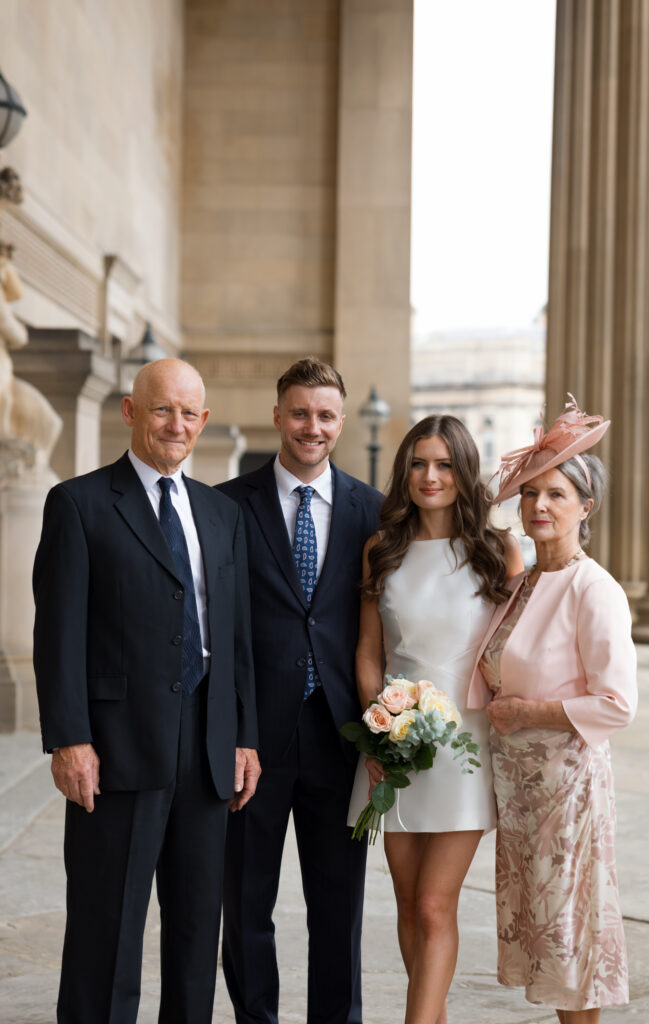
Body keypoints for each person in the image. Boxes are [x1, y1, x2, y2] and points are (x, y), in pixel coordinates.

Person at [33, 358, 260, 1024]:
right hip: (116, 748)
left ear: (205, 421)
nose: (177, 425)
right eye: (163, 409)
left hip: (209, 749)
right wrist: (70, 738)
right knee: (107, 929)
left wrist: (243, 735)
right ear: (131, 411)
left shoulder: (222, 515)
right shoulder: (78, 503)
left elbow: (236, 636)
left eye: (190, 413)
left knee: (195, 935)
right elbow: (59, 634)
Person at [217, 357, 383, 1024]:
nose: (310, 427)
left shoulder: (373, 509)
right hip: (251, 743)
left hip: (340, 738)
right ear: (276, 414)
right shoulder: (225, 505)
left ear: (339, 423)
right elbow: (214, 628)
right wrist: (230, 732)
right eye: (298, 413)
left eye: (323, 416)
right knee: (246, 905)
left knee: (338, 910)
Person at [347, 414, 523, 1024]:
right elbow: (370, 654)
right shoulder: (381, 549)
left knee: (431, 905)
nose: (430, 476)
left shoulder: (498, 552)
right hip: (394, 742)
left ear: (464, 471)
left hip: (466, 748)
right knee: (404, 900)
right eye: (419, 463)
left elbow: (521, 649)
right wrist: (379, 728)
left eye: (445, 464)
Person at [468, 397, 638, 1023]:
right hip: (521, 793)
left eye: (557, 495)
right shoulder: (521, 582)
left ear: (584, 508)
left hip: (567, 795)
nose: (539, 505)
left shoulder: (596, 589)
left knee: (571, 949)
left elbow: (617, 703)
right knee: (545, 943)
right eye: (531, 493)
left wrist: (529, 712)